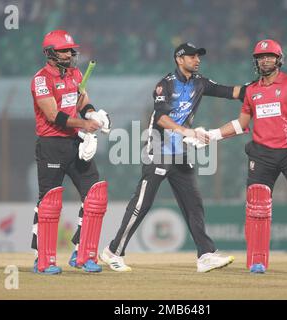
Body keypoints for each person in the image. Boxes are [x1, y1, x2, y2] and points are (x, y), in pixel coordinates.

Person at [100, 42, 248, 273]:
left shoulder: (200, 82)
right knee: (142, 204)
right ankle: (113, 252)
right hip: (158, 151)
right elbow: (160, 118)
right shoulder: (165, 85)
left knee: (194, 204)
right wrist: (187, 131)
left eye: (199, 55)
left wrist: (259, 88)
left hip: (181, 154)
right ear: (179, 59)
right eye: (192, 56)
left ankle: (206, 255)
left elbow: (232, 92)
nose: (197, 59)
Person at [206, 39, 287, 274]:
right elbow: (242, 125)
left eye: (270, 56)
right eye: (261, 57)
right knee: (257, 203)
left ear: (278, 59)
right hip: (262, 153)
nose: (265, 60)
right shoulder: (252, 91)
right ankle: (257, 261)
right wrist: (212, 135)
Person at [30, 30, 111, 274]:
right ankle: (43, 260)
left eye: (70, 49)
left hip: (74, 143)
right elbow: (53, 115)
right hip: (51, 145)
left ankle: (83, 253)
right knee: (49, 202)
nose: (70, 53)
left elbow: (82, 101)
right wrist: (84, 124)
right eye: (64, 50)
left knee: (95, 196)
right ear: (51, 53)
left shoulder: (75, 74)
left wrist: (93, 114)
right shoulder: (41, 79)